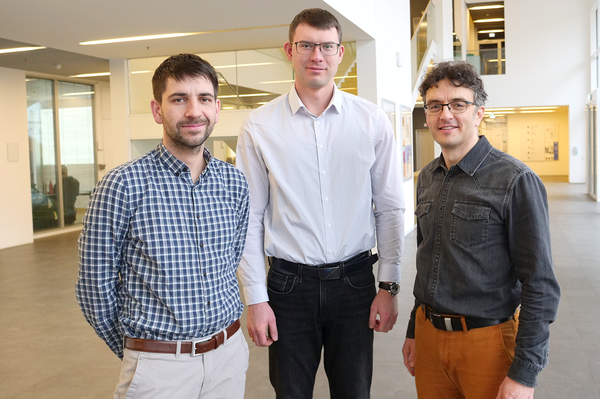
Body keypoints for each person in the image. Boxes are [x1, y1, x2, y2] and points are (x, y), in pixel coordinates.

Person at [236, 8, 405, 399]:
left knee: (354, 392)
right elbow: (250, 219)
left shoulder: (371, 121)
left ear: (340, 53)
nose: (317, 55)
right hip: (287, 288)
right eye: (307, 45)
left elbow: (390, 208)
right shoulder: (260, 126)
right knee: (291, 393)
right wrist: (256, 298)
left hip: (356, 283)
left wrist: (389, 286)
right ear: (289, 50)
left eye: (327, 46)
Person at [76, 54, 250, 399]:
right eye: (178, 99)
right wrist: (140, 350)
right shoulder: (122, 185)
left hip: (229, 356)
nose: (193, 111)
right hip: (159, 368)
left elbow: (231, 261)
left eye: (204, 99)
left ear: (216, 108)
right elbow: (94, 288)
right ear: (158, 111)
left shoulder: (234, 182)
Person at [401, 60, 561, 399]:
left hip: (486, 342)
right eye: (435, 105)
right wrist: (414, 329)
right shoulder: (427, 178)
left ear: (478, 113)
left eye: (458, 104)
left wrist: (525, 373)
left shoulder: (515, 180)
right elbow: (426, 260)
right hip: (429, 339)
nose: (445, 114)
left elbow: (540, 283)